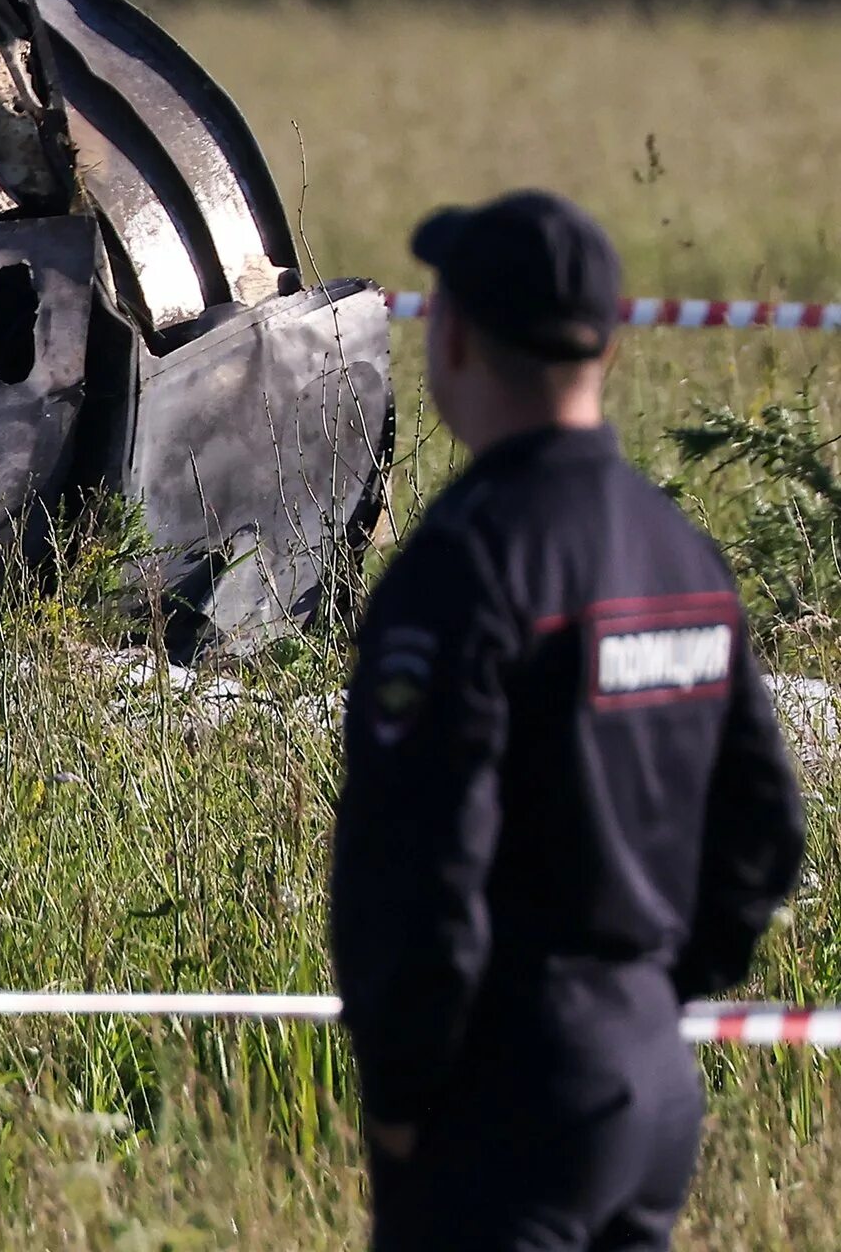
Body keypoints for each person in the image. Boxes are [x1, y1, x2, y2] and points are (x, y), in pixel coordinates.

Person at [331, 189, 808, 1252]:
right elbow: (763, 832)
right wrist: (648, 991)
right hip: (648, 1075)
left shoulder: (469, 561)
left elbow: (422, 858)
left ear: (452, 336)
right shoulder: (677, 547)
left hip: (506, 1088)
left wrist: (405, 1086)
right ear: (610, 347)